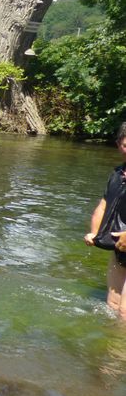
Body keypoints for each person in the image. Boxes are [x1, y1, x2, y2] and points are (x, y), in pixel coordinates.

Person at [84, 122, 126, 321]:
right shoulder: (117, 174)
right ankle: (109, 351)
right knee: (112, 305)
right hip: (120, 249)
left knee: (125, 311)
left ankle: (118, 351)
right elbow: (103, 206)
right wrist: (95, 232)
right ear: (119, 145)